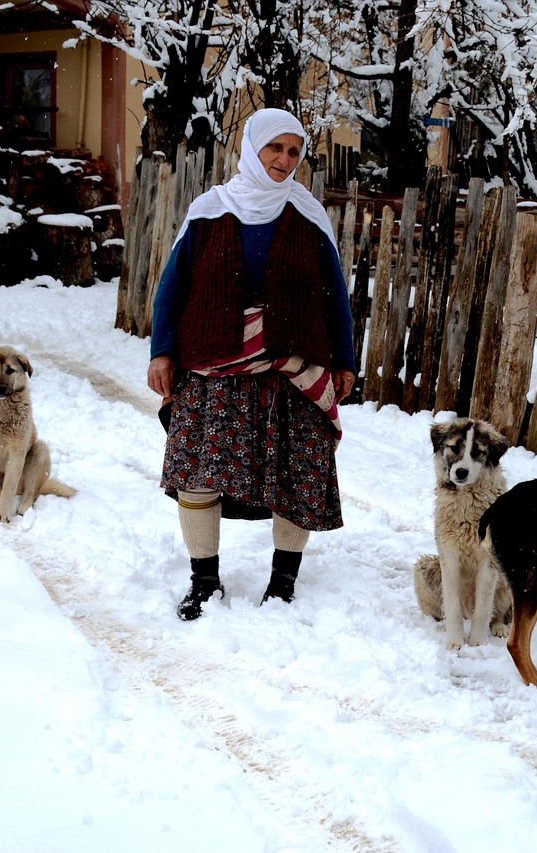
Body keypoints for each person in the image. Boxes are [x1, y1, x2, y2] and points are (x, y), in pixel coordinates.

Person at [147, 108, 356, 620]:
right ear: (252, 148)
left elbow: (336, 298)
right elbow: (173, 289)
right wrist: (161, 350)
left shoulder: (309, 216)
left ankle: (283, 581)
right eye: (274, 148)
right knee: (198, 469)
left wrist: (345, 361)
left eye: (293, 151)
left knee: (300, 470)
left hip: (294, 366)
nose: (284, 160)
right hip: (213, 362)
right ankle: (204, 581)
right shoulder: (210, 209)